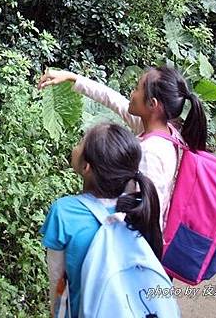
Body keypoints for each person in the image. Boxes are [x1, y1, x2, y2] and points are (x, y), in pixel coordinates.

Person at [38, 66, 208, 228]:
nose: (131, 93)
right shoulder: (163, 131)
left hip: (141, 247)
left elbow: (149, 214)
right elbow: (113, 99)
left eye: (137, 88)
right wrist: (71, 77)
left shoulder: (151, 153)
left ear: (152, 104)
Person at [40, 122, 163, 318]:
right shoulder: (140, 207)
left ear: (87, 167)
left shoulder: (64, 212)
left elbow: (57, 279)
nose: (75, 147)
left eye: (81, 143)